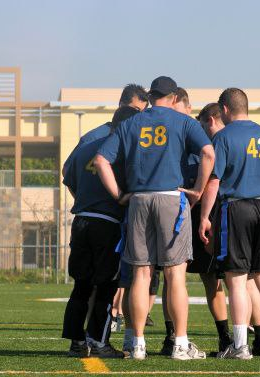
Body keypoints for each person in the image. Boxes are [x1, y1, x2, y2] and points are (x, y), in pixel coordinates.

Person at [95, 76, 214, 360]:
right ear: (173, 97)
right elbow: (208, 153)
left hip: (138, 199)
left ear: (149, 97)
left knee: (140, 273)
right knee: (175, 274)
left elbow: (102, 160)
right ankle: (181, 344)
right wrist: (197, 189)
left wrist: (119, 195)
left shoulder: (131, 123)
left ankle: (136, 343)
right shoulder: (183, 122)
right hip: (171, 199)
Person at [198, 88, 260, 359]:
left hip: (236, 207)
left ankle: (240, 346)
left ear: (224, 109)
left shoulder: (224, 137)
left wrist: (204, 216)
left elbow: (214, 180)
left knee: (236, 279)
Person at [61, 106, 140, 358]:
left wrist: (87, 200)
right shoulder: (124, 150)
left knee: (81, 285)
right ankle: (98, 341)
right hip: (107, 224)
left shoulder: (86, 147)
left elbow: (69, 178)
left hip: (82, 220)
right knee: (107, 285)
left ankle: (76, 341)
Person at [161, 99, 231, 357]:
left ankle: (225, 337)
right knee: (171, 276)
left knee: (212, 278)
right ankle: (172, 337)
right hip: (176, 211)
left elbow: (213, 174)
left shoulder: (200, 136)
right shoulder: (169, 137)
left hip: (201, 212)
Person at [62, 84, 148, 177]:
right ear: (121, 105)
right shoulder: (92, 138)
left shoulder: (142, 139)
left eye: (142, 112)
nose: (138, 115)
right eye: (136, 109)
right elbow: (67, 171)